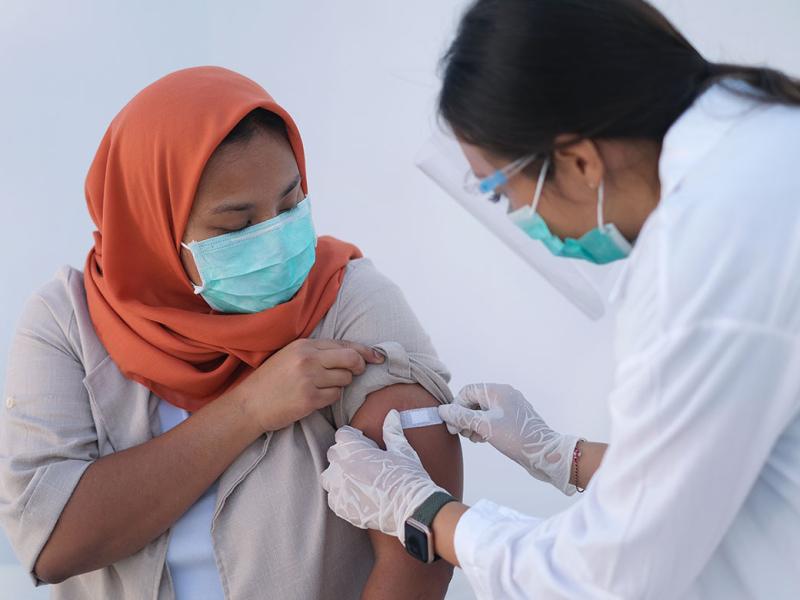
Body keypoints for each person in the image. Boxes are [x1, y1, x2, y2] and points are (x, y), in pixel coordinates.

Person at [320, 1, 800, 598]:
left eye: (501, 192)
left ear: (578, 160)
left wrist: (428, 515)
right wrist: (564, 456)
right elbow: (720, 458)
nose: (524, 220)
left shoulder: (702, 252)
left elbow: (606, 576)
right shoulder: (767, 141)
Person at [0, 66, 462, 600]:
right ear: (151, 227)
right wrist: (248, 410)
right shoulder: (68, 323)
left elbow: (419, 535)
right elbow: (54, 541)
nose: (273, 240)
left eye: (289, 206)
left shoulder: (346, 297)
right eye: (235, 227)